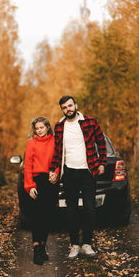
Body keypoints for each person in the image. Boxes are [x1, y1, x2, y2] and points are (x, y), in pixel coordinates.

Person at [49, 95, 107, 259]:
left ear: (75, 105)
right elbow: (57, 152)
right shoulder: (59, 126)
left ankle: (87, 244)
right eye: (64, 107)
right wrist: (54, 170)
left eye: (70, 105)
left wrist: (102, 162)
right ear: (62, 110)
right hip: (68, 172)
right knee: (71, 209)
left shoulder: (90, 121)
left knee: (89, 208)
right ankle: (74, 245)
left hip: (88, 172)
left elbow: (101, 142)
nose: (68, 109)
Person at [24, 116, 58, 265]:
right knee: (37, 217)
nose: (39, 131)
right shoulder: (31, 143)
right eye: (37, 128)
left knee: (48, 216)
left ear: (47, 127)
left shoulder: (55, 141)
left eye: (42, 128)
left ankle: (43, 247)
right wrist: (30, 186)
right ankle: (36, 250)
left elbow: (58, 159)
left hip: (50, 181)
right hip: (36, 182)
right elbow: (27, 166)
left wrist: (55, 173)